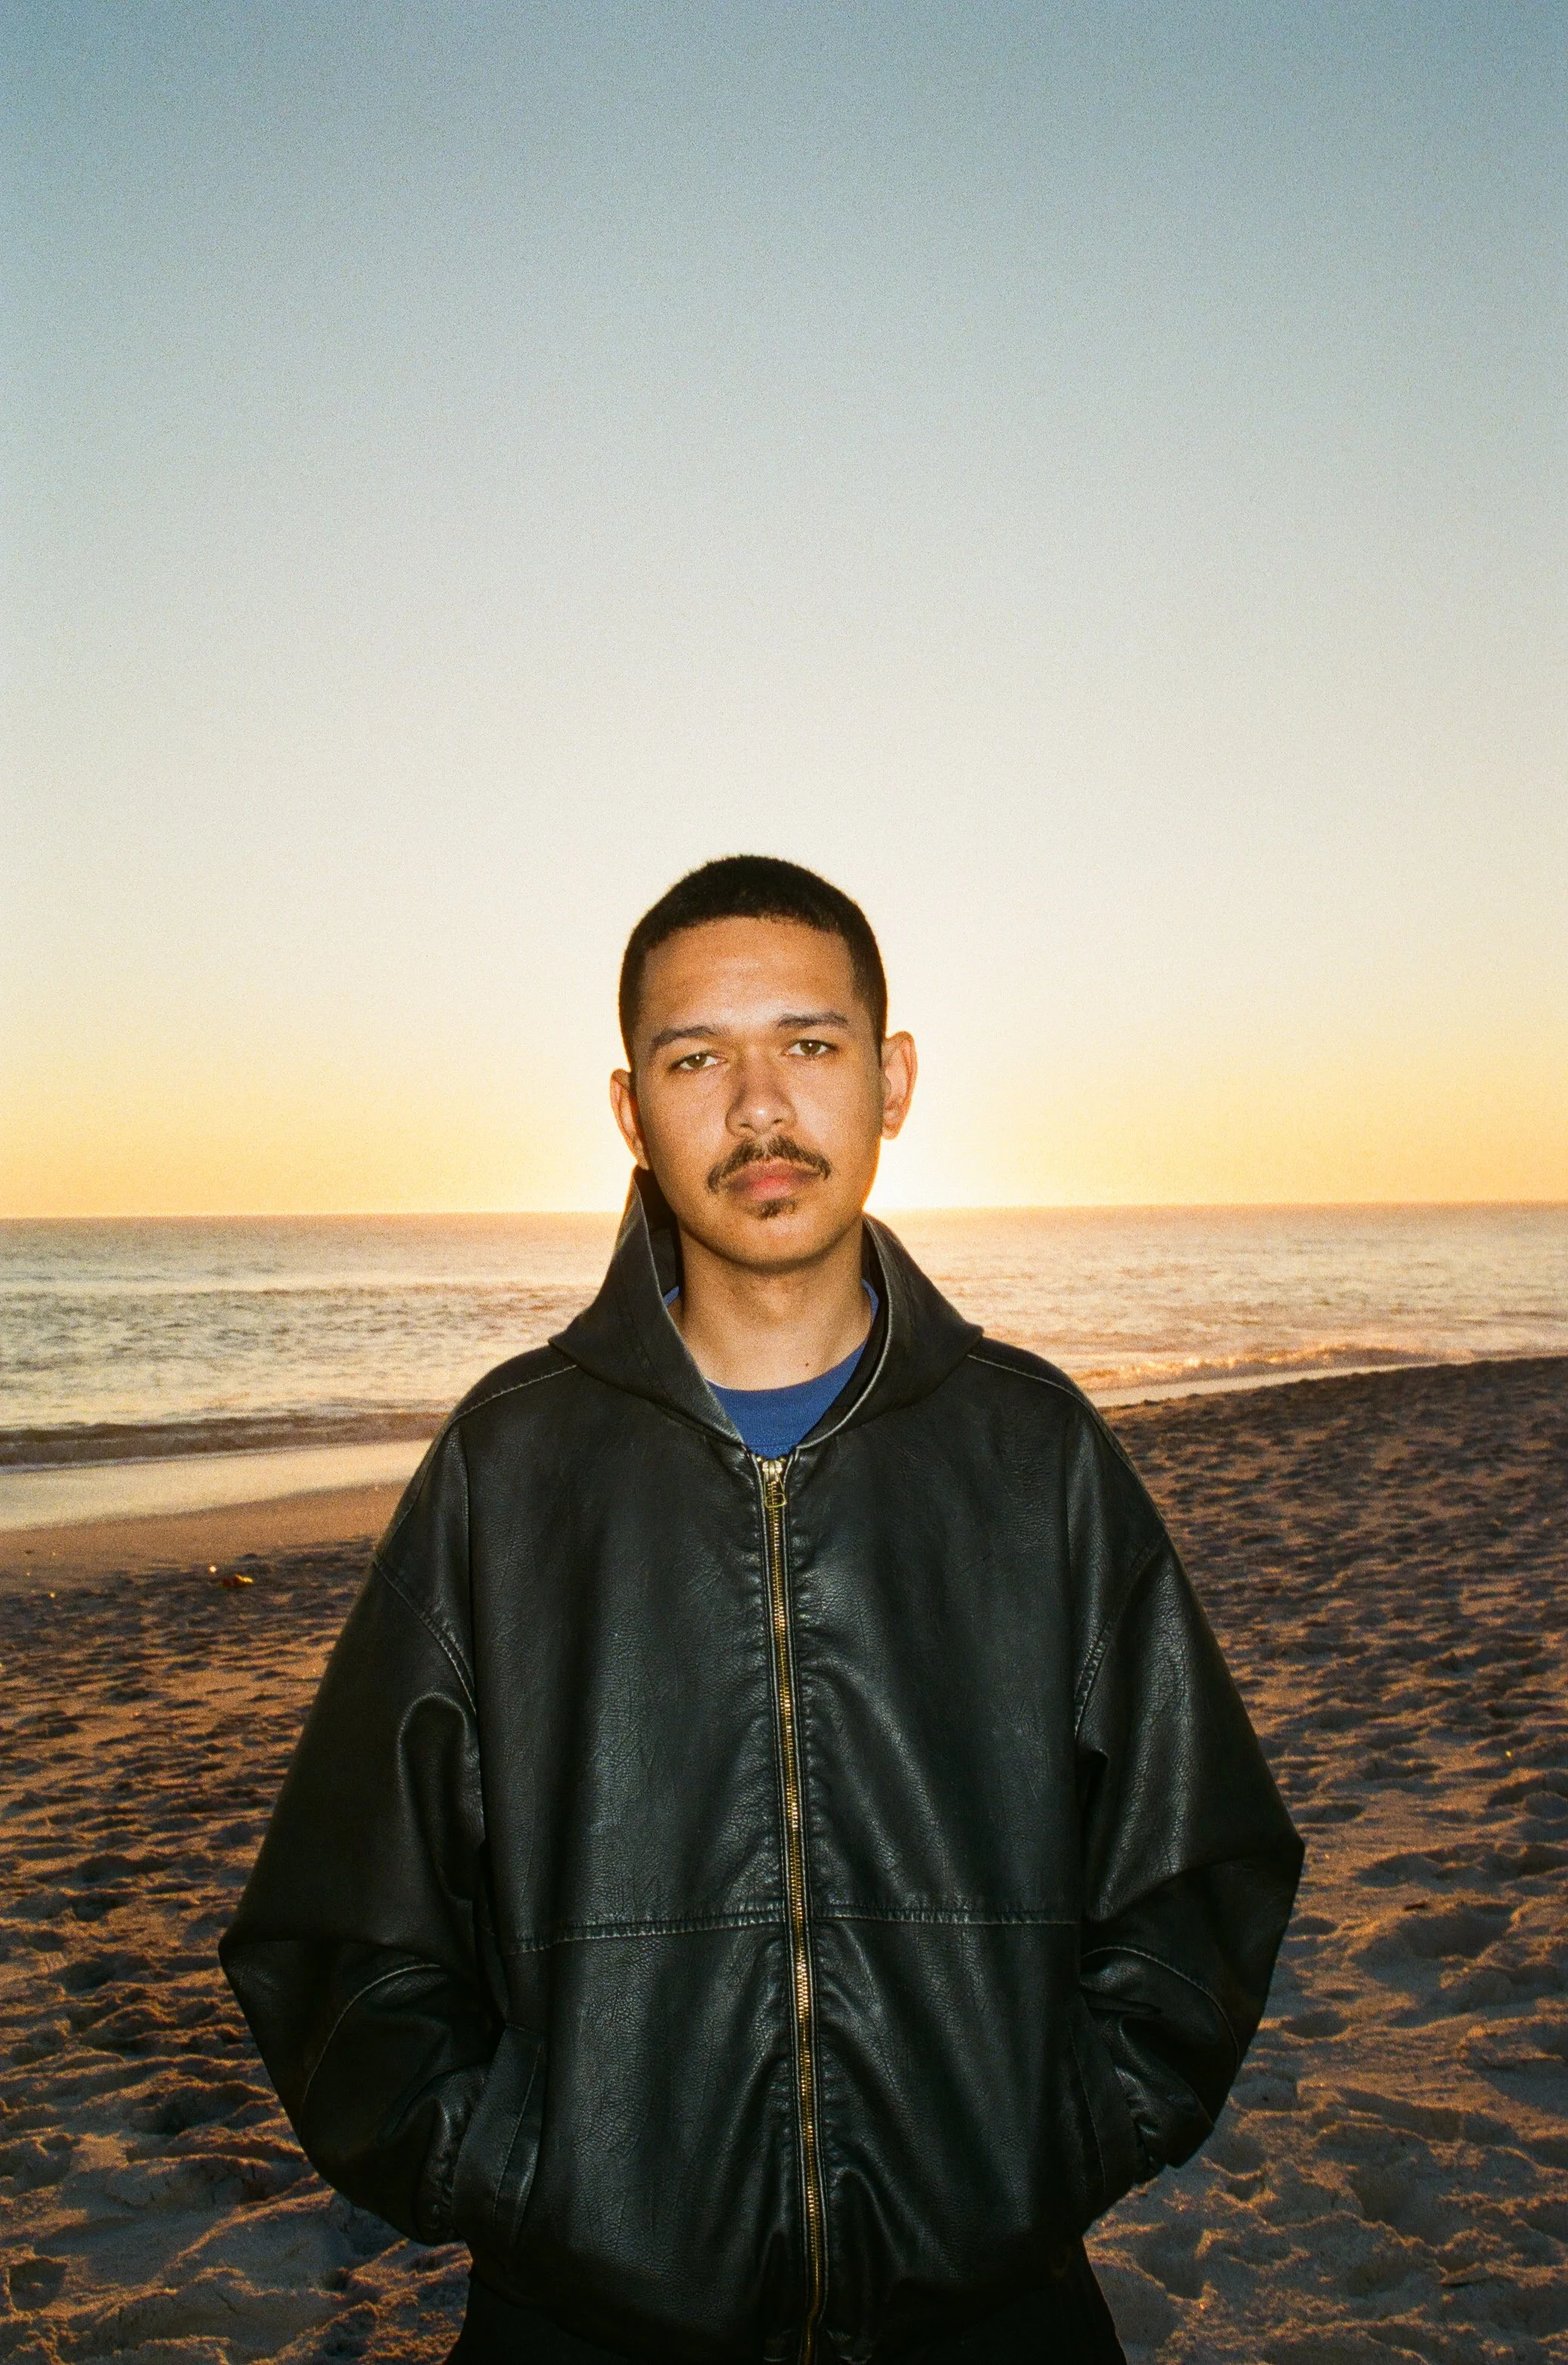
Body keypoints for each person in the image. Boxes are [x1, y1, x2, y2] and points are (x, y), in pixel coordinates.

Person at [222, 855, 1302, 2365]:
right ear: (627, 1109)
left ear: (893, 1075)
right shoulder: (510, 1462)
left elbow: (1202, 1864)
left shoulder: (1030, 1449)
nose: (756, 1110)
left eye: (807, 1044)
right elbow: (336, 1928)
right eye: (694, 1059)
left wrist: (1053, 2138)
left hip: (991, 2318)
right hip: (584, 2328)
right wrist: (513, 2169)